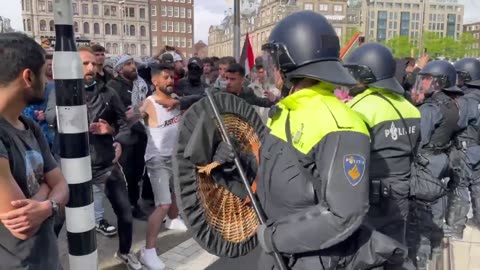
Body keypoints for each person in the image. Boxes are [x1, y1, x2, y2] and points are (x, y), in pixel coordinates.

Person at [212, 11, 409, 270]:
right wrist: (238, 163)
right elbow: (281, 174)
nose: (270, 71)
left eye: (274, 62)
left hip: (314, 258)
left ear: (290, 63)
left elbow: (344, 213)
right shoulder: (286, 111)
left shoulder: (340, 122)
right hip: (279, 252)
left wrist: (274, 237)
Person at [47, 47, 142, 269]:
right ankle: (48, 261)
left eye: (94, 64)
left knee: (125, 213)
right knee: (56, 221)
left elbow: (125, 125)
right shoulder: (59, 90)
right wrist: (75, 117)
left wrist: (111, 133)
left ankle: (126, 252)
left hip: (103, 164)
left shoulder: (108, 92)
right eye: (84, 64)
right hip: (69, 166)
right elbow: (52, 117)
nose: (90, 68)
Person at [344, 43, 420, 269]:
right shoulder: (410, 108)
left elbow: (348, 157)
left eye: (353, 72)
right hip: (401, 191)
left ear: (365, 73)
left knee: (367, 254)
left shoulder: (359, 108)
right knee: (396, 250)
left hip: (370, 194)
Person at [0, 32, 69, 269]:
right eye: (44, 73)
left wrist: (44, 206)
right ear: (28, 77)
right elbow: (22, 223)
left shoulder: (29, 126)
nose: (47, 81)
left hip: (46, 259)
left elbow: (63, 186)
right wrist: (49, 192)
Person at [408, 60, 462, 269]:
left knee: (421, 212)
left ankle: (420, 259)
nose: (424, 83)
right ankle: (436, 249)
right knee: (437, 208)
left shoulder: (430, 108)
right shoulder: (452, 103)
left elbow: (419, 139)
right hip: (442, 159)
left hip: (426, 162)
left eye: (428, 79)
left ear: (439, 82)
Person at [134, 63, 187, 269]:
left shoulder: (177, 101)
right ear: (154, 81)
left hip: (174, 156)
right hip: (157, 160)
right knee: (162, 204)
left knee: (175, 191)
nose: (170, 81)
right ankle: (148, 252)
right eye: (165, 77)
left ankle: (173, 219)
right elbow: (133, 116)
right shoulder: (149, 103)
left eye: (172, 77)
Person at [446, 58, 480, 238]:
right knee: (478, 184)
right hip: (478, 148)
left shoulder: (466, 100)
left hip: (465, 148)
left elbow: (457, 123)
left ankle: (455, 227)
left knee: (459, 185)